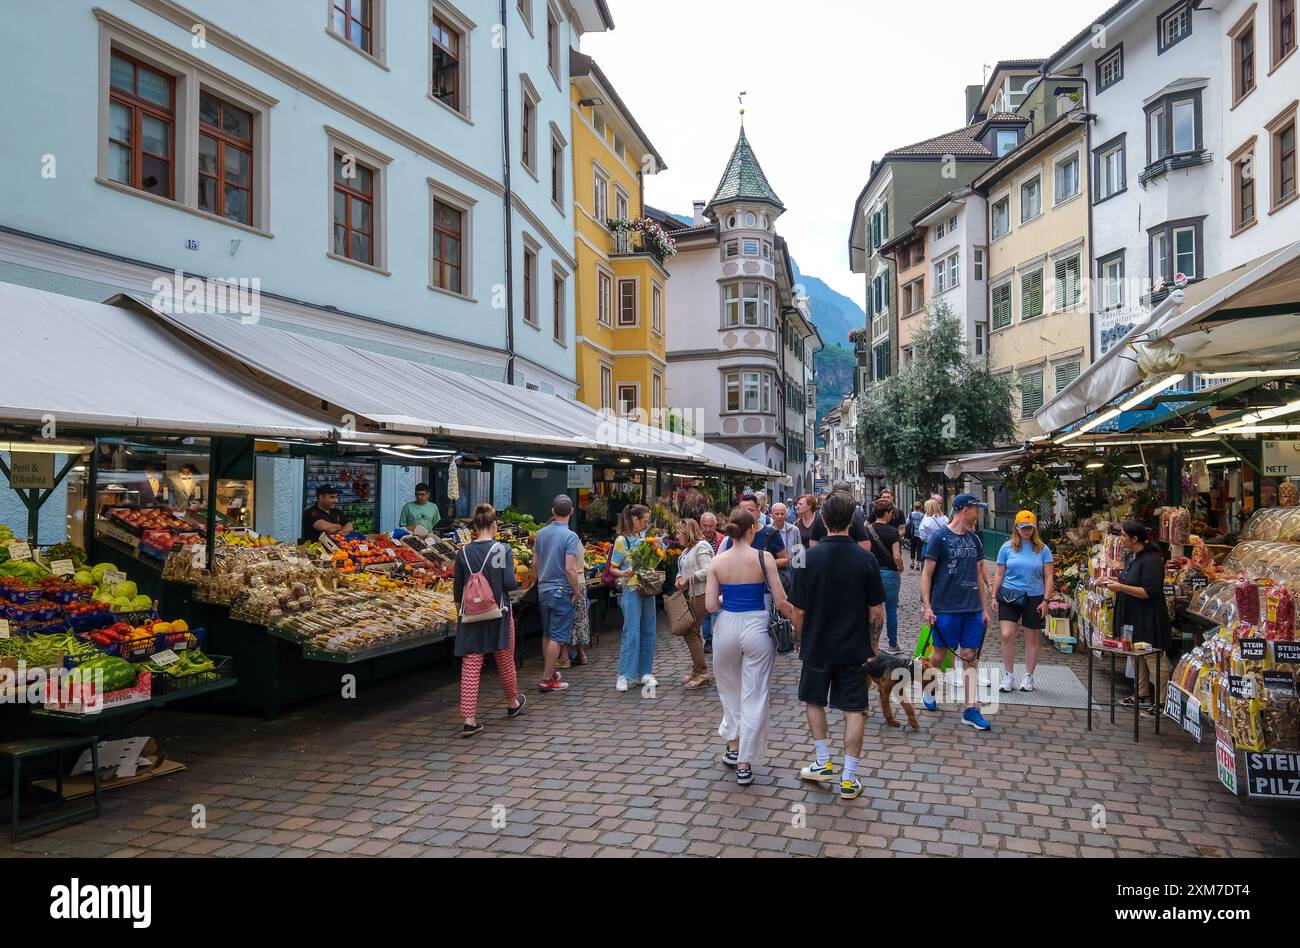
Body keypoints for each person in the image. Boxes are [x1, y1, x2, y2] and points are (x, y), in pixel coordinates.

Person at [790, 491, 885, 800]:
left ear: (824, 520)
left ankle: (822, 761)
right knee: (854, 708)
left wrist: (799, 637)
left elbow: (799, 610)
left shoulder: (806, 556)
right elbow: (877, 610)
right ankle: (848, 777)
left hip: (817, 644)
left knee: (814, 700)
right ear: (853, 520)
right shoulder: (866, 558)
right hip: (854, 646)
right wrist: (874, 644)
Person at [706, 507, 795, 786]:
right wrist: (799, 621)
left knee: (730, 690)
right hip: (757, 625)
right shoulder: (763, 557)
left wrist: (726, 602)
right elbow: (781, 600)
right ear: (753, 530)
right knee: (755, 693)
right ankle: (744, 762)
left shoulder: (718, 562)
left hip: (727, 625)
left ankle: (733, 745)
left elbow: (710, 605)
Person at [920, 493, 994, 731]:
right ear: (964, 509)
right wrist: (928, 607)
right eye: (976, 508)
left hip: (971, 609)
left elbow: (978, 575)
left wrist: (984, 608)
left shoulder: (975, 540)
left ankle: (970, 709)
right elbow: (926, 574)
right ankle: (929, 689)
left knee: (971, 655)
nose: (979, 512)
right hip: (946, 608)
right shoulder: (939, 538)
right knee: (940, 656)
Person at [453, 503, 525, 737]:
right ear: (494, 525)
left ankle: (469, 719)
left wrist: (462, 612)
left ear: (474, 526)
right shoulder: (502, 549)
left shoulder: (462, 553)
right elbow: (510, 584)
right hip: (499, 613)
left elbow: (457, 590)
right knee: (505, 658)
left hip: (471, 616)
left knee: (471, 663)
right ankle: (513, 702)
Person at [1102, 522, 1174, 715]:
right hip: (1133, 615)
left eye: (1124, 535)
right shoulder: (1132, 557)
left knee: (1153, 658)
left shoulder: (1151, 560)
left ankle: (1161, 703)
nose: (1121, 538)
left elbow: (1150, 591)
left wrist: (1121, 588)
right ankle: (1142, 693)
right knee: (1137, 655)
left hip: (1148, 617)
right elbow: (1129, 580)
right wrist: (1112, 581)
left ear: (1135, 539)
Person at [993, 511, 1054, 694]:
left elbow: (1049, 575)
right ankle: (1009, 674)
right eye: (1023, 528)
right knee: (1006, 634)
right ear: (1017, 528)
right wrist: (993, 595)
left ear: (1034, 528)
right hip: (1010, 594)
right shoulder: (1006, 548)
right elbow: (999, 573)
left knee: (1032, 638)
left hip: (1035, 596)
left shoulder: (1042, 549)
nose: (1026, 531)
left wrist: (1046, 600)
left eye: (1029, 528)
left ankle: (1028, 675)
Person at [533, 495, 584, 694]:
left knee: (547, 633)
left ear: (552, 512)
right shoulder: (570, 536)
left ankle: (551, 672)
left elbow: (535, 564)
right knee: (557, 637)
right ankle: (547, 679)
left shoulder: (541, 534)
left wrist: (538, 582)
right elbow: (570, 569)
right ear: (571, 511)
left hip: (544, 589)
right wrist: (576, 591)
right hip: (561, 590)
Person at [610, 504, 656, 693]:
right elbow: (612, 568)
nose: (646, 525)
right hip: (631, 589)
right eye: (644, 521)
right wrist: (624, 572)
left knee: (649, 630)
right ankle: (624, 674)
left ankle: (645, 672)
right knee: (631, 632)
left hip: (647, 587)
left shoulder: (644, 537)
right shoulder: (622, 540)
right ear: (635, 520)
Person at [673, 518, 713, 689]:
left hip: (700, 594)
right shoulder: (687, 550)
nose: (677, 536)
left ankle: (702, 673)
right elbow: (681, 569)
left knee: (692, 631)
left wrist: (688, 579)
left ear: (687, 532)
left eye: (679, 532)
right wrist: (678, 578)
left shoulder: (701, 547)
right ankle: (697, 670)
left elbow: (709, 568)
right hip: (690, 593)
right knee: (690, 632)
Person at [864, 500, 904, 654]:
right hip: (890, 574)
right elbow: (896, 555)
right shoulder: (893, 531)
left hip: (872, 573)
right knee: (891, 610)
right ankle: (893, 644)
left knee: (871, 609)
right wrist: (901, 567)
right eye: (891, 513)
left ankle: (871, 643)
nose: (892, 515)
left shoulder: (867, 530)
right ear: (887, 513)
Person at [719, 494, 788, 569]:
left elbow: (784, 560)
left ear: (758, 511)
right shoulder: (733, 535)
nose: (746, 514)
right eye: (743, 511)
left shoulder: (771, 533)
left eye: (750, 510)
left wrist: (762, 564)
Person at [809, 481, 870, 548]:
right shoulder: (854, 513)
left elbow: (813, 540)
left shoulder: (823, 512)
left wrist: (818, 554)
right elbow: (864, 543)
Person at [698, 511, 724, 654]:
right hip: (702, 582)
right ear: (700, 525)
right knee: (705, 613)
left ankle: (721, 637)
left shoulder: (722, 539)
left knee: (718, 611)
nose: (707, 529)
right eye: (704, 525)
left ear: (716, 526)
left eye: (710, 526)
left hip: (719, 581)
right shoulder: (696, 540)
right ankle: (708, 640)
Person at [770, 502, 802, 585]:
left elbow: (799, 554)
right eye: (777, 514)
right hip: (770, 572)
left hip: (790, 573)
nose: (780, 516)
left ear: (786, 515)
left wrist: (799, 575)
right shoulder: (767, 531)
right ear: (772, 515)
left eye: (782, 514)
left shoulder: (794, 530)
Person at [907, 501, 925, 570]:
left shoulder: (911, 514)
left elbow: (907, 522)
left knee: (912, 548)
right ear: (920, 507)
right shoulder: (922, 515)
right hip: (920, 534)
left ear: (914, 507)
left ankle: (912, 563)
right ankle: (917, 564)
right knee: (919, 549)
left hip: (912, 534)